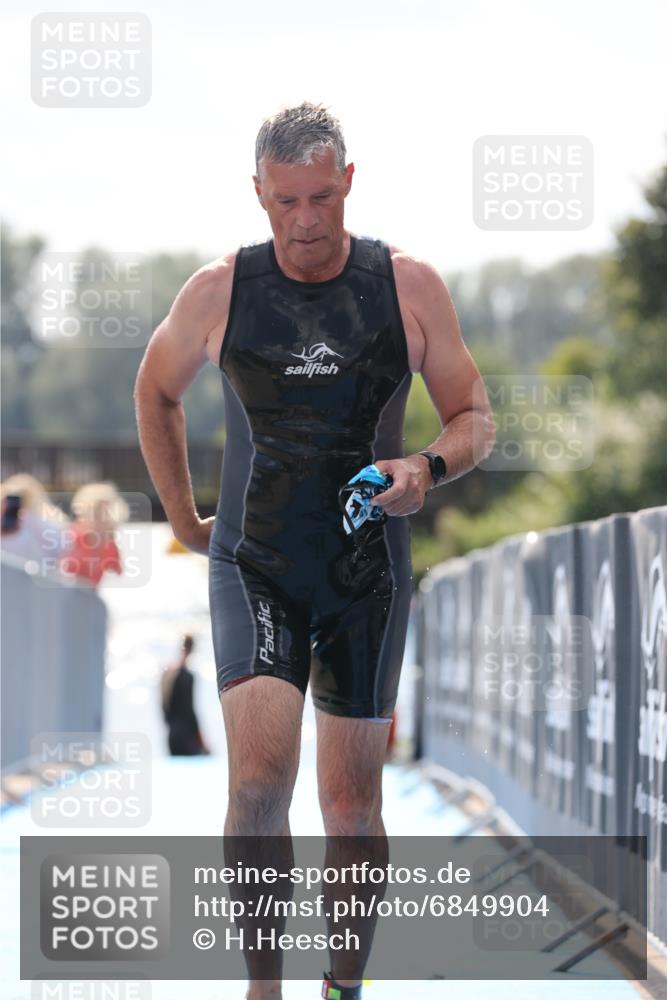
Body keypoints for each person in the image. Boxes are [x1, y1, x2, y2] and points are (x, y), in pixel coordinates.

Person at [134, 101, 496, 1000]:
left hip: (366, 573)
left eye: (322, 198)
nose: (305, 221)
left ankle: (342, 985)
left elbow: (476, 416)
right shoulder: (220, 291)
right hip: (253, 562)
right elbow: (156, 390)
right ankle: (264, 987)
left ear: (349, 185)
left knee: (349, 806)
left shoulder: (406, 285)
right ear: (259, 193)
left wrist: (424, 465)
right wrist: (184, 517)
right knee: (258, 785)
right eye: (286, 201)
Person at [59, 482, 127, 587]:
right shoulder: (72, 535)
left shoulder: (110, 544)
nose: (101, 516)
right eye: (96, 510)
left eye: (106, 511)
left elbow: (116, 576)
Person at [0, 473, 70, 570]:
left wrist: (31, 518)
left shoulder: (50, 520)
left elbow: (63, 546)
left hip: (42, 576)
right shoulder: (4, 520)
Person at [160, 634, 209, 756]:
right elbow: (189, 710)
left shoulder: (168, 673)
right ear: (192, 648)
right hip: (186, 735)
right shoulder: (187, 676)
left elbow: (164, 706)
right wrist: (201, 741)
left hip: (172, 733)